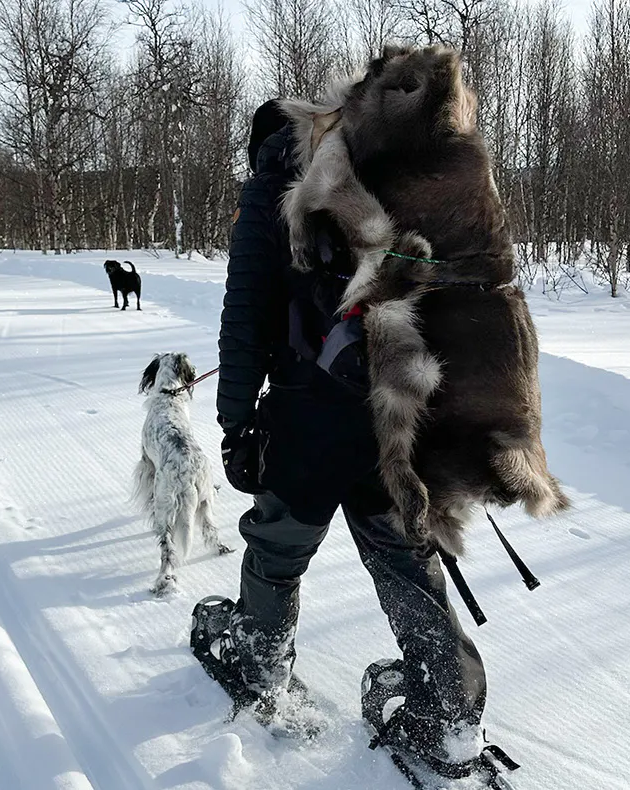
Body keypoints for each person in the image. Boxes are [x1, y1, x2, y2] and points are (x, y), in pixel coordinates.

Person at [190, 98, 488, 768]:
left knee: (276, 546)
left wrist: (236, 425)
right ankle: (447, 711)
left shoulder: (272, 190)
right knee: (405, 560)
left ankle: (260, 660)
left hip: (309, 420)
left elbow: (244, 324)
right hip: (394, 416)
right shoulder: (384, 179)